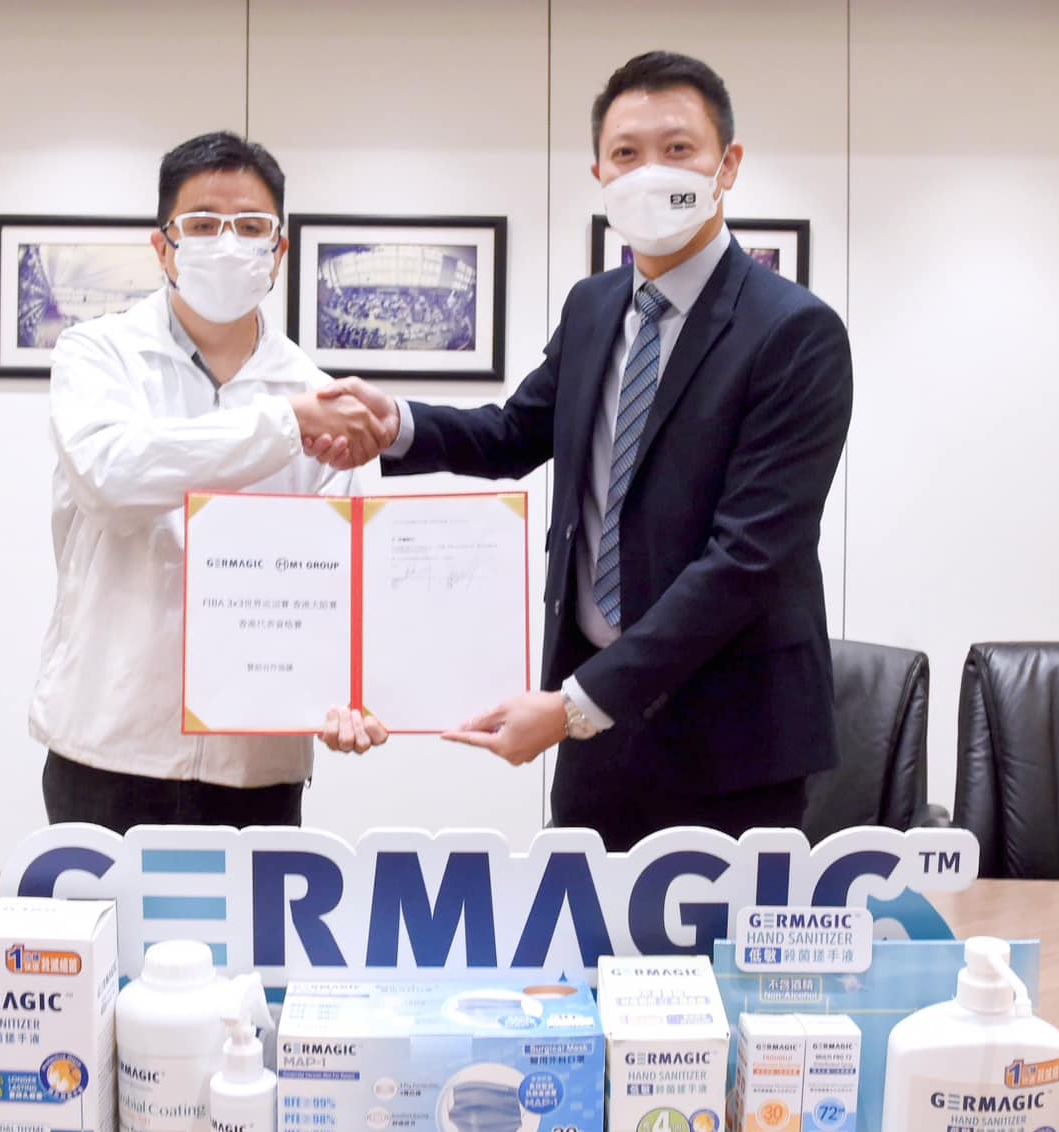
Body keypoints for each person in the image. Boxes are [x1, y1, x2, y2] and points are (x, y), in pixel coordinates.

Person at [308, 52, 853, 852]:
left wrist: (574, 705)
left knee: (718, 942)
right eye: (626, 153)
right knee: (590, 932)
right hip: (595, 733)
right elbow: (514, 432)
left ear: (727, 165)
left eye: (678, 149)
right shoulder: (594, 306)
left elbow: (750, 557)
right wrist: (397, 424)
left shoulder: (795, 331)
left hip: (734, 741)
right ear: (598, 172)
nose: (650, 172)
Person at [31, 130, 391, 832]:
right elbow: (111, 477)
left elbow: (345, 579)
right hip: (109, 747)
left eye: (251, 227)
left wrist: (350, 693)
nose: (227, 244)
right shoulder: (98, 356)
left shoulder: (320, 395)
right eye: (201, 224)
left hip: (255, 763)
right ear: (163, 246)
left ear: (279, 252)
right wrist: (283, 425)